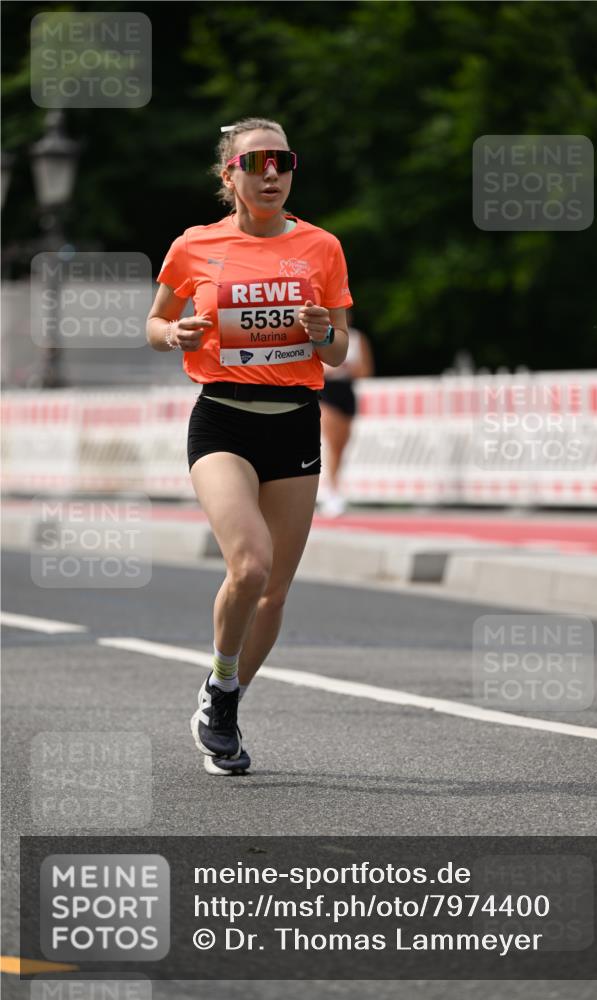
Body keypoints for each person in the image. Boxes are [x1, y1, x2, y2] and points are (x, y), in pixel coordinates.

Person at [146, 118, 352, 774]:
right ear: (228, 175)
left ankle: (223, 698)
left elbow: (339, 350)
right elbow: (155, 321)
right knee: (250, 566)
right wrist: (173, 334)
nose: (271, 175)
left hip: (294, 423)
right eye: (256, 163)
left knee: (274, 593)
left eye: (282, 162)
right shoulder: (195, 245)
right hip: (223, 422)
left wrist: (321, 333)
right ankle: (224, 676)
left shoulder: (321, 247)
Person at [318, 311, 374, 516]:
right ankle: (331, 492)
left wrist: (348, 369)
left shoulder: (357, 338)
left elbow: (366, 370)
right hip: (327, 391)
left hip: (346, 390)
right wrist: (333, 369)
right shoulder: (321, 334)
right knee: (332, 442)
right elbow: (315, 368)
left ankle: (335, 486)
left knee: (342, 444)